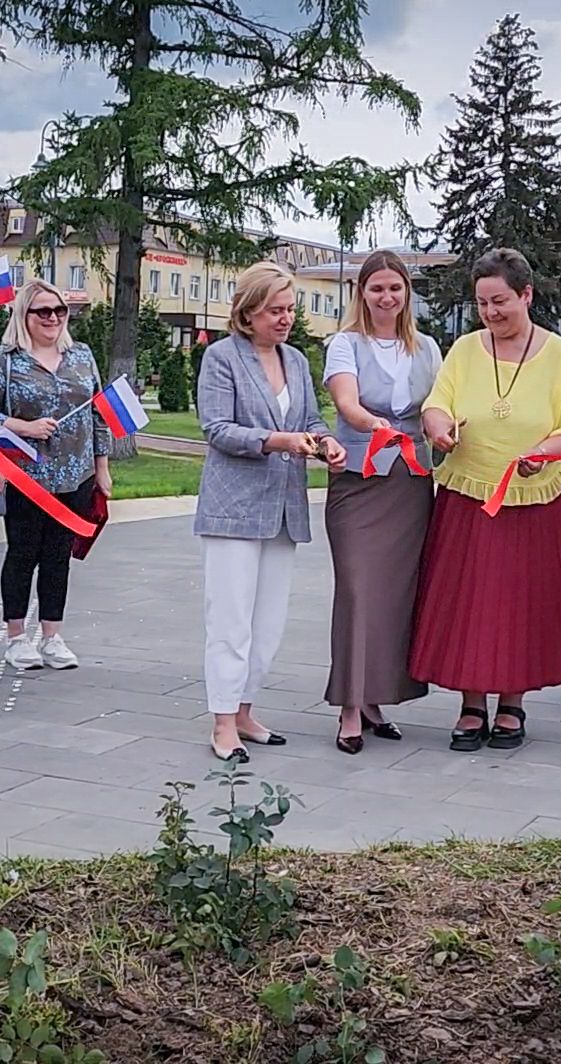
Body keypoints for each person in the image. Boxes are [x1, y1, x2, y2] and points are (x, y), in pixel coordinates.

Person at [415, 248, 561, 751]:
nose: (491, 313)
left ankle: (512, 704)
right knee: (471, 602)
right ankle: (471, 705)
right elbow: (437, 404)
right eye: (482, 304)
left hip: (535, 499)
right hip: (469, 494)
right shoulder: (465, 349)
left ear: (526, 295)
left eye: (500, 302)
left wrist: (545, 452)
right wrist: (441, 427)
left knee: (522, 603)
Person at [197, 261, 346, 761]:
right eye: (274, 310)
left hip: (284, 509)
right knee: (231, 619)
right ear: (247, 312)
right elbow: (216, 428)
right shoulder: (222, 358)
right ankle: (222, 722)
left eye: (289, 309)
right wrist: (276, 441)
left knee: (269, 624)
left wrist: (325, 443)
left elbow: (309, 418)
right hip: (233, 509)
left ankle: (244, 709)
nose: (284, 319)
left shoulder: (297, 361)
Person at [322, 251, 440, 753]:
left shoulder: (428, 348)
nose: (386, 297)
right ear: (362, 294)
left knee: (393, 595)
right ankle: (349, 707)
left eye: (395, 288)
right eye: (377, 289)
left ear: (406, 294)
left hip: (409, 486)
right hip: (358, 480)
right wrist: (374, 425)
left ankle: (374, 701)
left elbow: (439, 406)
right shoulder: (345, 344)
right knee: (356, 590)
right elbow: (347, 403)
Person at [0, 279, 112, 671]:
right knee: (23, 553)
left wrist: (102, 467)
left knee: (59, 555)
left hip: (76, 473)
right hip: (26, 475)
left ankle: (52, 635)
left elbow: (99, 412)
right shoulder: (6, 359)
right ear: (25, 315)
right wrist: (24, 427)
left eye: (60, 311)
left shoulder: (81, 355)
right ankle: (16, 636)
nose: (53, 318)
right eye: (43, 311)